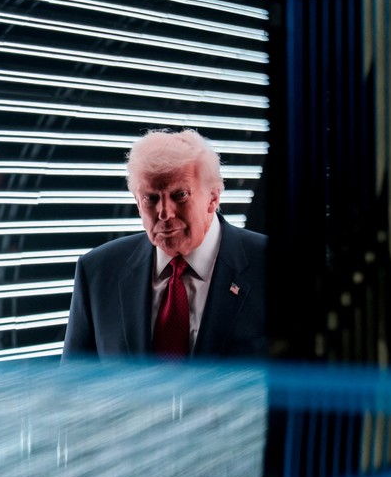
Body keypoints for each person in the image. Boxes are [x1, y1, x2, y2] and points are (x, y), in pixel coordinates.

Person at [61, 129, 267, 360]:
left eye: (180, 195)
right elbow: (73, 389)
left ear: (213, 197)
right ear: (138, 203)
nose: (164, 213)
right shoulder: (98, 271)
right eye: (151, 198)